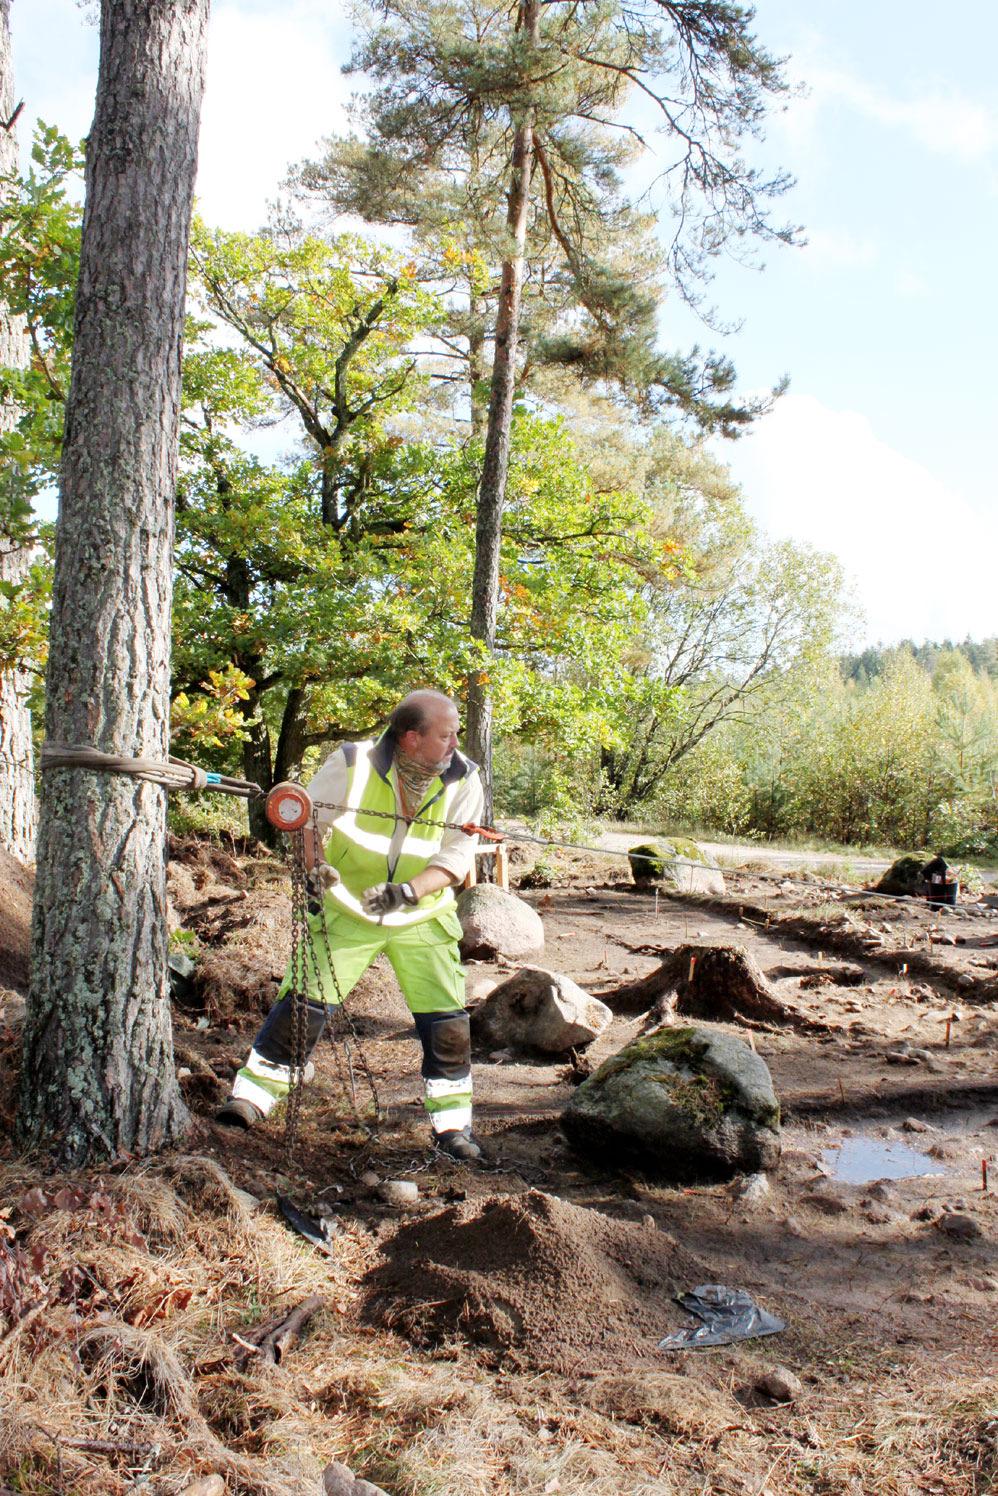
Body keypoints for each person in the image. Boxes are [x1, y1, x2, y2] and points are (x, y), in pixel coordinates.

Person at [216, 690, 485, 1161]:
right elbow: (306, 821)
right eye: (445, 734)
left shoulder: (465, 779)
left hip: (422, 916)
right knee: (304, 1005)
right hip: (347, 909)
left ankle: (452, 1127)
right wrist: (316, 868)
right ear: (410, 738)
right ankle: (253, 1096)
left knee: (446, 1022)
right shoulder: (352, 763)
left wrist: (407, 892)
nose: (455, 742)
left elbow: (457, 857)